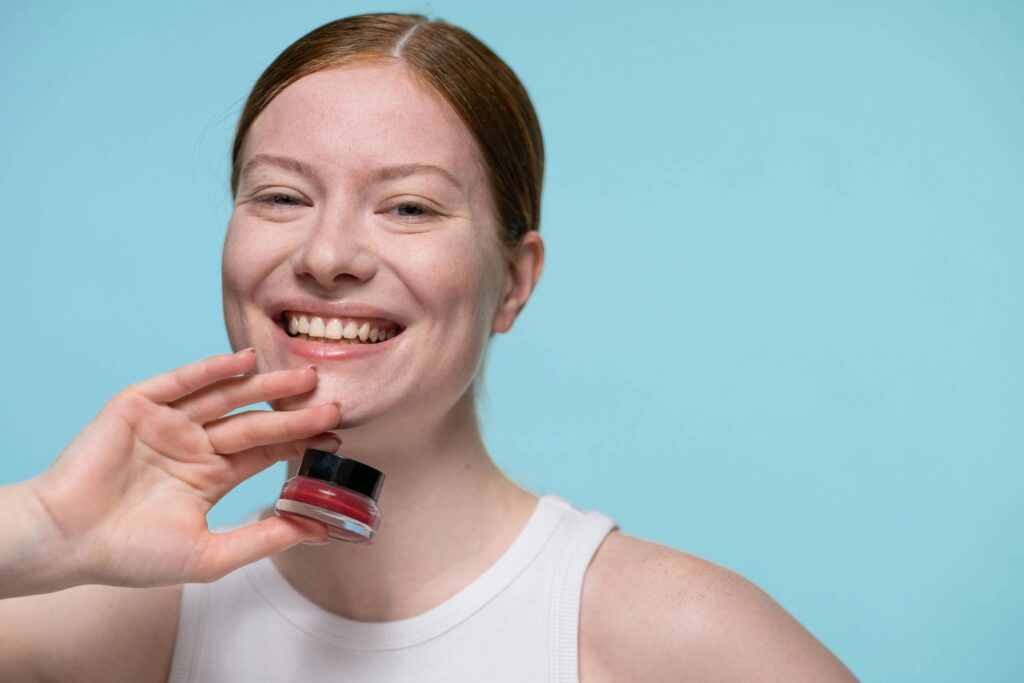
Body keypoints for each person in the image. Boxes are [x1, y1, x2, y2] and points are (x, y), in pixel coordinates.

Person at [0, 12, 858, 682]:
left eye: (408, 206)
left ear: (514, 281)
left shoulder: (669, 637)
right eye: (281, 196)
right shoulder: (116, 625)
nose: (328, 255)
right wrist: (42, 527)